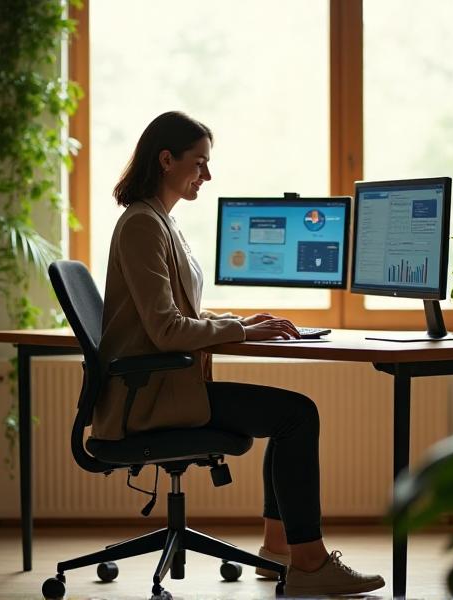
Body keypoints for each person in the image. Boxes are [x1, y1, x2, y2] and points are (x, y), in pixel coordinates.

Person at [95, 111, 385, 597]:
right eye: (199, 163)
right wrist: (238, 331)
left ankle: (278, 554)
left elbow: (178, 314)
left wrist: (242, 325)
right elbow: (166, 330)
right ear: (167, 160)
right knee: (297, 415)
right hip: (150, 400)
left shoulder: (160, 222)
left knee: (289, 415)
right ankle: (308, 565)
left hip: (169, 387)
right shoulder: (143, 226)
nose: (207, 176)